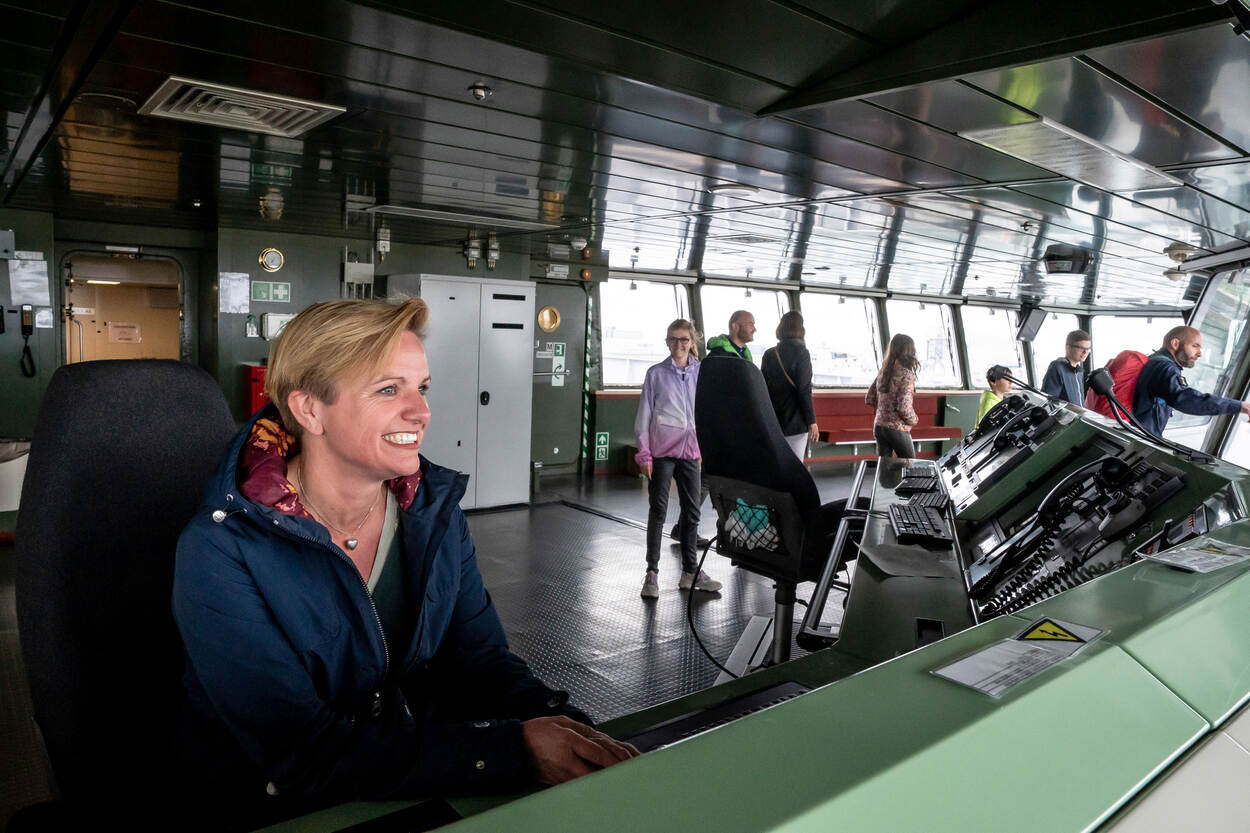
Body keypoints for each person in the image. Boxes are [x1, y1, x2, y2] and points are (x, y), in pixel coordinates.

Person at [173, 298, 635, 830]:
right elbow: (303, 750)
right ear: (309, 410)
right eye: (389, 390)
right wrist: (512, 750)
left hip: (407, 773)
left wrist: (566, 728)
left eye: (423, 388)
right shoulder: (221, 549)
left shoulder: (431, 511)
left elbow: (479, 659)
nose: (421, 412)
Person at [635, 319, 722, 598]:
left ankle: (690, 572)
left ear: (691, 342)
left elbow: (709, 413)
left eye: (684, 339)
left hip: (691, 453)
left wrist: (709, 448)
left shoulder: (702, 373)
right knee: (658, 511)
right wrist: (644, 453)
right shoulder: (656, 374)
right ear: (667, 342)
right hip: (661, 453)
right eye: (673, 339)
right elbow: (644, 415)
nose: (678, 344)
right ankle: (652, 573)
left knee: (692, 513)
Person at [1131, 325, 1250, 437]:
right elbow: (1187, 399)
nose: (1199, 354)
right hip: (1139, 435)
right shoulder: (1165, 368)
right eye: (1195, 346)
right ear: (1175, 343)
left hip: (1136, 431)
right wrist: (1240, 406)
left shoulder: (1153, 361)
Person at [762, 310, 819, 460]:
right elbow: (804, 390)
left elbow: (763, 387)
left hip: (773, 420)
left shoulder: (769, 354)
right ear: (801, 329)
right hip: (796, 421)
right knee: (795, 464)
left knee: (776, 463)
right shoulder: (802, 353)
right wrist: (812, 421)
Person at [866, 333, 919, 458]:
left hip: (879, 426)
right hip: (897, 428)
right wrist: (914, 420)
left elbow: (869, 398)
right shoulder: (906, 375)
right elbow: (903, 407)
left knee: (885, 466)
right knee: (910, 464)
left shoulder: (884, 372)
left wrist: (885, 408)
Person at [1040, 329, 1091, 405]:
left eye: (1087, 349)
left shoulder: (1079, 371)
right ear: (1068, 348)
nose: (1085, 352)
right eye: (1081, 348)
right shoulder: (1057, 368)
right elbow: (1049, 401)